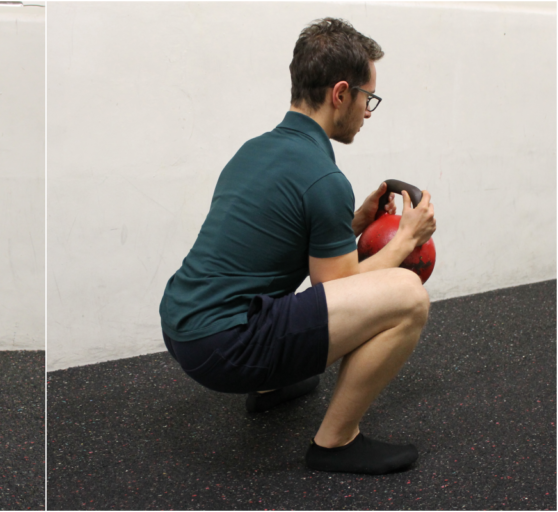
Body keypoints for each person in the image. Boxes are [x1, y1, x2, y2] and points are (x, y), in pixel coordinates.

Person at [159, 17, 436, 475]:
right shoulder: (324, 178)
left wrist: (351, 225)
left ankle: (273, 387)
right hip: (225, 347)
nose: (368, 112)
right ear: (341, 93)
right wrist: (407, 237)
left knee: (279, 288)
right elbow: (339, 287)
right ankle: (335, 443)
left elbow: (279, 244)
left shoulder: (255, 149)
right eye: (368, 98)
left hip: (181, 325)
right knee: (408, 296)